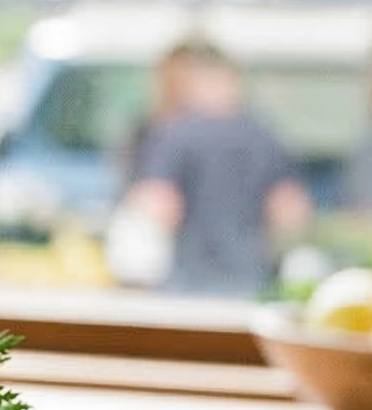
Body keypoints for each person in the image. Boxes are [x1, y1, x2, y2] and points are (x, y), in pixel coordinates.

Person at [123, 42, 311, 296]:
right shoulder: (263, 136)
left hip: (188, 283)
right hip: (251, 281)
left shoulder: (176, 133)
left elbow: (160, 205)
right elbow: (291, 213)